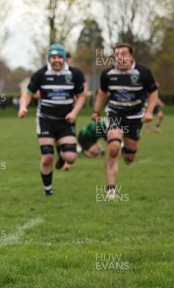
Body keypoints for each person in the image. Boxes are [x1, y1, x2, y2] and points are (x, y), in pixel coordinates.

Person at [92, 42, 158, 199]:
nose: (119, 58)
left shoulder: (143, 72)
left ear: (130, 56)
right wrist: (96, 111)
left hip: (135, 118)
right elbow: (102, 93)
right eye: (116, 55)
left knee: (129, 158)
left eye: (123, 54)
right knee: (113, 147)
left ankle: (126, 149)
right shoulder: (108, 74)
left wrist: (149, 112)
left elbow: (154, 93)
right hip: (115, 114)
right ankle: (110, 190)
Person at [18, 44, 86, 195]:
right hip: (46, 120)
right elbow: (28, 93)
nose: (56, 60)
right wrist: (23, 107)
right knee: (48, 156)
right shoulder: (40, 74)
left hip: (66, 122)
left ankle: (62, 156)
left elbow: (81, 97)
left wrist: (74, 112)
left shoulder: (74, 74)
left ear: (64, 58)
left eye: (59, 57)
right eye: (53, 57)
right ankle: (47, 190)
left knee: (71, 157)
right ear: (49, 58)